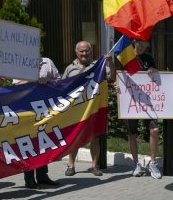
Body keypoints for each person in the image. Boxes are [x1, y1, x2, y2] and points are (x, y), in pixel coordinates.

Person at [61, 41, 115, 177]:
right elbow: (62, 88)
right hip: (75, 110)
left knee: (95, 137)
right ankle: (71, 165)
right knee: (74, 138)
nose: (84, 53)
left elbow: (112, 78)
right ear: (76, 52)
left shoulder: (99, 66)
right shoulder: (70, 69)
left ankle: (94, 166)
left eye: (87, 51)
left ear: (91, 51)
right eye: (81, 51)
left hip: (93, 108)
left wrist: (111, 63)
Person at [14, 57, 62, 189]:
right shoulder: (19, 63)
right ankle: (29, 178)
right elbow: (16, 86)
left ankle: (42, 176)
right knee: (29, 144)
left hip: (43, 109)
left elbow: (59, 81)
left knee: (42, 142)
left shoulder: (47, 61)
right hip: (26, 110)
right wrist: (33, 79)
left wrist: (48, 81)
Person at [124, 40, 162, 180]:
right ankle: (136, 164)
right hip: (131, 100)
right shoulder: (126, 56)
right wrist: (117, 85)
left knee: (154, 130)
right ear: (135, 42)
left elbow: (156, 77)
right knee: (132, 133)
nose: (145, 45)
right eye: (142, 42)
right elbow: (119, 76)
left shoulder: (148, 57)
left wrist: (154, 70)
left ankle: (152, 163)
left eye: (146, 42)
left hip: (148, 101)